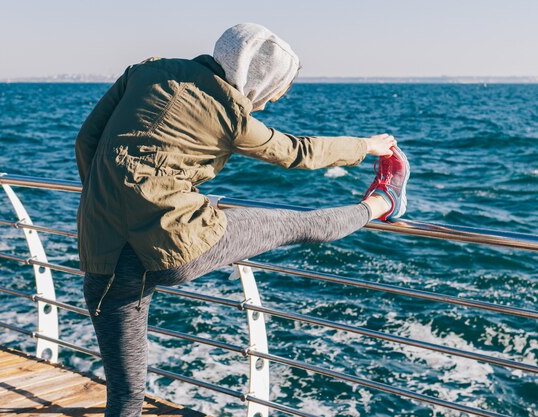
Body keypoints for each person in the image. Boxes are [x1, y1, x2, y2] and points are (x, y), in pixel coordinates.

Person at [76, 22, 409, 417]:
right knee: (301, 225)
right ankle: (382, 203)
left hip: (101, 251)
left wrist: (114, 205)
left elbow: (86, 142)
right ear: (257, 78)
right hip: (175, 244)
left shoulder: (145, 72)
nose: (268, 103)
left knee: (125, 397)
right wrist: (367, 146)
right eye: (273, 92)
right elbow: (297, 152)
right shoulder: (230, 113)